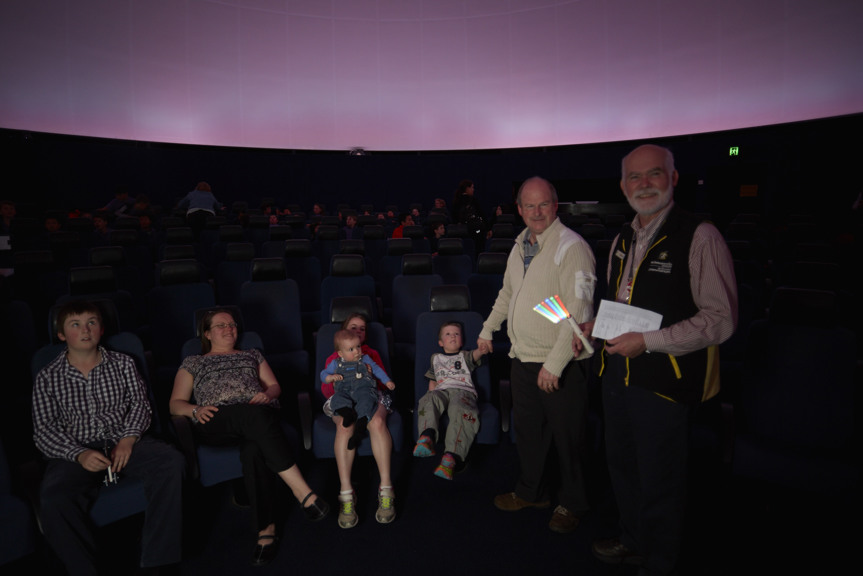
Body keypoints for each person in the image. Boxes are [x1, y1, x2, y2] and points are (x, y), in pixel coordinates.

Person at [576, 144, 737, 575]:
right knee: (624, 470)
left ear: (674, 178)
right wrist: (596, 329)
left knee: (661, 481)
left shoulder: (700, 235)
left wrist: (648, 342)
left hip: (665, 382)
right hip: (616, 376)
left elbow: (720, 321)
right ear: (622, 184)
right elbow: (619, 302)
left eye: (654, 174)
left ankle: (661, 562)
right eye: (634, 177)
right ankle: (634, 541)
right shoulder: (622, 237)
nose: (643, 184)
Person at [477, 176, 595, 534]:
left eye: (543, 204)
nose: (536, 212)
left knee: (567, 438)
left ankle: (573, 503)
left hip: (559, 364)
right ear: (520, 209)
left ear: (555, 206)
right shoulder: (520, 245)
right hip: (522, 358)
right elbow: (508, 294)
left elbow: (578, 311)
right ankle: (533, 492)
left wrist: (554, 363)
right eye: (529, 205)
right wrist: (486, 330)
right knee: (530, 435)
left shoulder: (571, 247)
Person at [32, 300, 184, 575]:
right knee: (54, 498)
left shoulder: (124, 363)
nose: (85, 329)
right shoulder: (47, 377)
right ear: (62, 335)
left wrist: (128, 438)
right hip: (75, 449)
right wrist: (78, 453)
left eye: (92, 322)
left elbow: (140, 405)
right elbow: (44, 429)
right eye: (75, 324)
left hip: (123, 438)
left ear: (102, 329)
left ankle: (158, 561)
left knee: (170, 462)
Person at [170, 308, 329, 567]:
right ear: (207, 333)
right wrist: (195, 410)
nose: (229, 328)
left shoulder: (252, 355)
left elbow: (274, 386)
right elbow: (175, 403)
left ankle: (265, 529)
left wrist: (268, 395)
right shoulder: (194, 362)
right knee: (254, 417)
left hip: (258, 416)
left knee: (254, 447)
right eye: (221, 325)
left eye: (232, 324)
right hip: (216, 419)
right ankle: (302, 492)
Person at [321, 313, 397, 528]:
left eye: (362, 329)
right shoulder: (334, 359)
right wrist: (336, 380)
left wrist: (371, 376)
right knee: (346, 427)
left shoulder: (370, 354)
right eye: (353, 327)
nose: (358, 331)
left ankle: (386, 488)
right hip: (343, 399)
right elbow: (327, 389)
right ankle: (346, 493)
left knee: (376, 422)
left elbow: (382, 383)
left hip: (369, 395)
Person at [413, 321, 488, 480]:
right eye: (448, 334)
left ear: (461, 341)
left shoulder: (465, 356)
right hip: (441, 391)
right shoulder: (436, 358)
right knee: (425, 402)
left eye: (456, 334)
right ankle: (427, 436)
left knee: (466, 414)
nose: (453, 336)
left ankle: (451, 457)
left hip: (463, 393)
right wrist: (430, 397)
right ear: (441, 342)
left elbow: (476, 354)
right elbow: (432, 382)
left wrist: (481, 350)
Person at [321, 329, 395, 450]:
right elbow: (323, 374)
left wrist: (387, 381)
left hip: (362, 389)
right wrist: (330, 377)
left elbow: (377, 370)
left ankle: (361, 424)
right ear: (340, 353)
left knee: (367, 400)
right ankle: (347, 413)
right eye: (351, 349)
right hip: (344, 391)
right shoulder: (335, 363)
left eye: (358, 346)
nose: (357, 351)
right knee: (337, 399)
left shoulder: (365, 359)